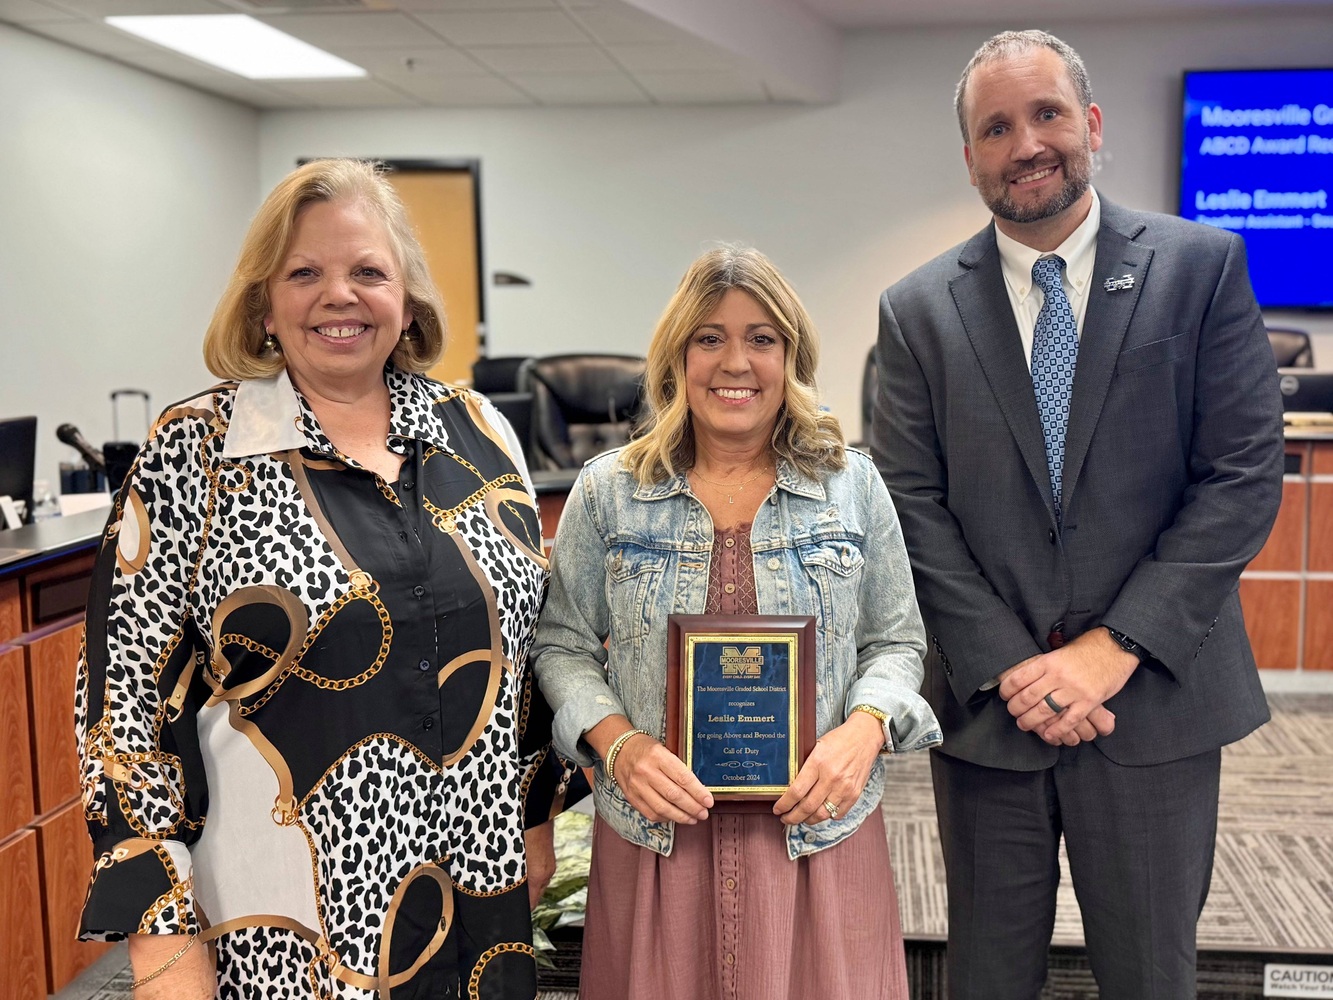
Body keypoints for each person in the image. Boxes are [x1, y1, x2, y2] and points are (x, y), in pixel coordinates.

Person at [76, 158, 582, 999]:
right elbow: (122, 714)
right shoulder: (191, 453)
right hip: (290, 928)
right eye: (304, 273)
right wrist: (162, 941)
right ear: (262, 303)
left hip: (479, 899)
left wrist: (536, 826)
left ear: (408, 297)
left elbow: (521, 657)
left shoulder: (480, 432)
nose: (338, 296)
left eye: (367, 272)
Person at [871, 29, 1284, 1000]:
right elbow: (908, 508)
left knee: (1149, 976)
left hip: (1152, 703)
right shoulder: (916, 311)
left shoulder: (1201, 268)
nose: (1026, 144)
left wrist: (1112, 648)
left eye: (1046, 114)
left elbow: (1239, 477)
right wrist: (1014, 667)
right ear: (970, 155)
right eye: (996, 127)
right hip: (989, 714)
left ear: (1090, 125)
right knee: (986, 976)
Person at [531, 245, 941, 1000]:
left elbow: (896, 641)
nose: (735, 361)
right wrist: (615, 744)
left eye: (761, 338)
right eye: (709, 337)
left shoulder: (852, 486)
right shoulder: (607, 492)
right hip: (657, 832)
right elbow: (560, 643)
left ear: (790, 355)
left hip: (817, 831)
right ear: (677, 355)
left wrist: (865, 729)